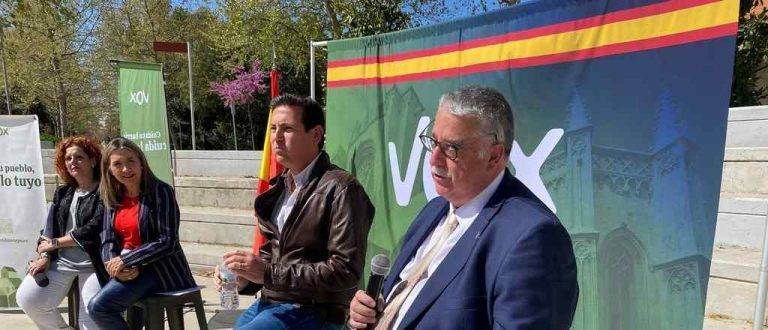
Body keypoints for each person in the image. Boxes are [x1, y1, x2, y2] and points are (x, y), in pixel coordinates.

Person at [348, 86, 579, 329]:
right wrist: (370, 312)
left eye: (451, 148)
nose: (434, 158)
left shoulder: (533, 237)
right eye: (434, 142)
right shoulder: (434, 210)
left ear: (494, 155)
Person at [215, 94, 375, 329]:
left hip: (314, 311)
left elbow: (345, 270)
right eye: (273, 128)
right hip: (271, 303)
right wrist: (244, 278)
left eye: (287, 129)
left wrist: (267, 273)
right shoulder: (279, 188)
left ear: (316, 134)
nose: (276, 137)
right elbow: (272, 258)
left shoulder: (342, 188)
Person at [87, 137, 197, 329]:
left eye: (131, 161)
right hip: (125, 267)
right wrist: (113, 264)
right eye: (117, 164)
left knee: (99, 308)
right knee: (97, 297)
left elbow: (167, 240)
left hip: (160, 269)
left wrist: (128, 261)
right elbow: (106, 236)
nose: (126, 169)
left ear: (141, 163)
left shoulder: (161, 191)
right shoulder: (112, 196)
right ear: (109, 169)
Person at [16, 135, 107, 329]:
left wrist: (55, 243)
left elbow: (93, 229)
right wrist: (45, 256)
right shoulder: (63, 192)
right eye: (68, 158)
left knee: (89, 322)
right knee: (28, 299)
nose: (73, 162)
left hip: (94, 264)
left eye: (79, 157)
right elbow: (49, 229)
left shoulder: (105, 191)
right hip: (62, 262)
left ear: (92, 161)